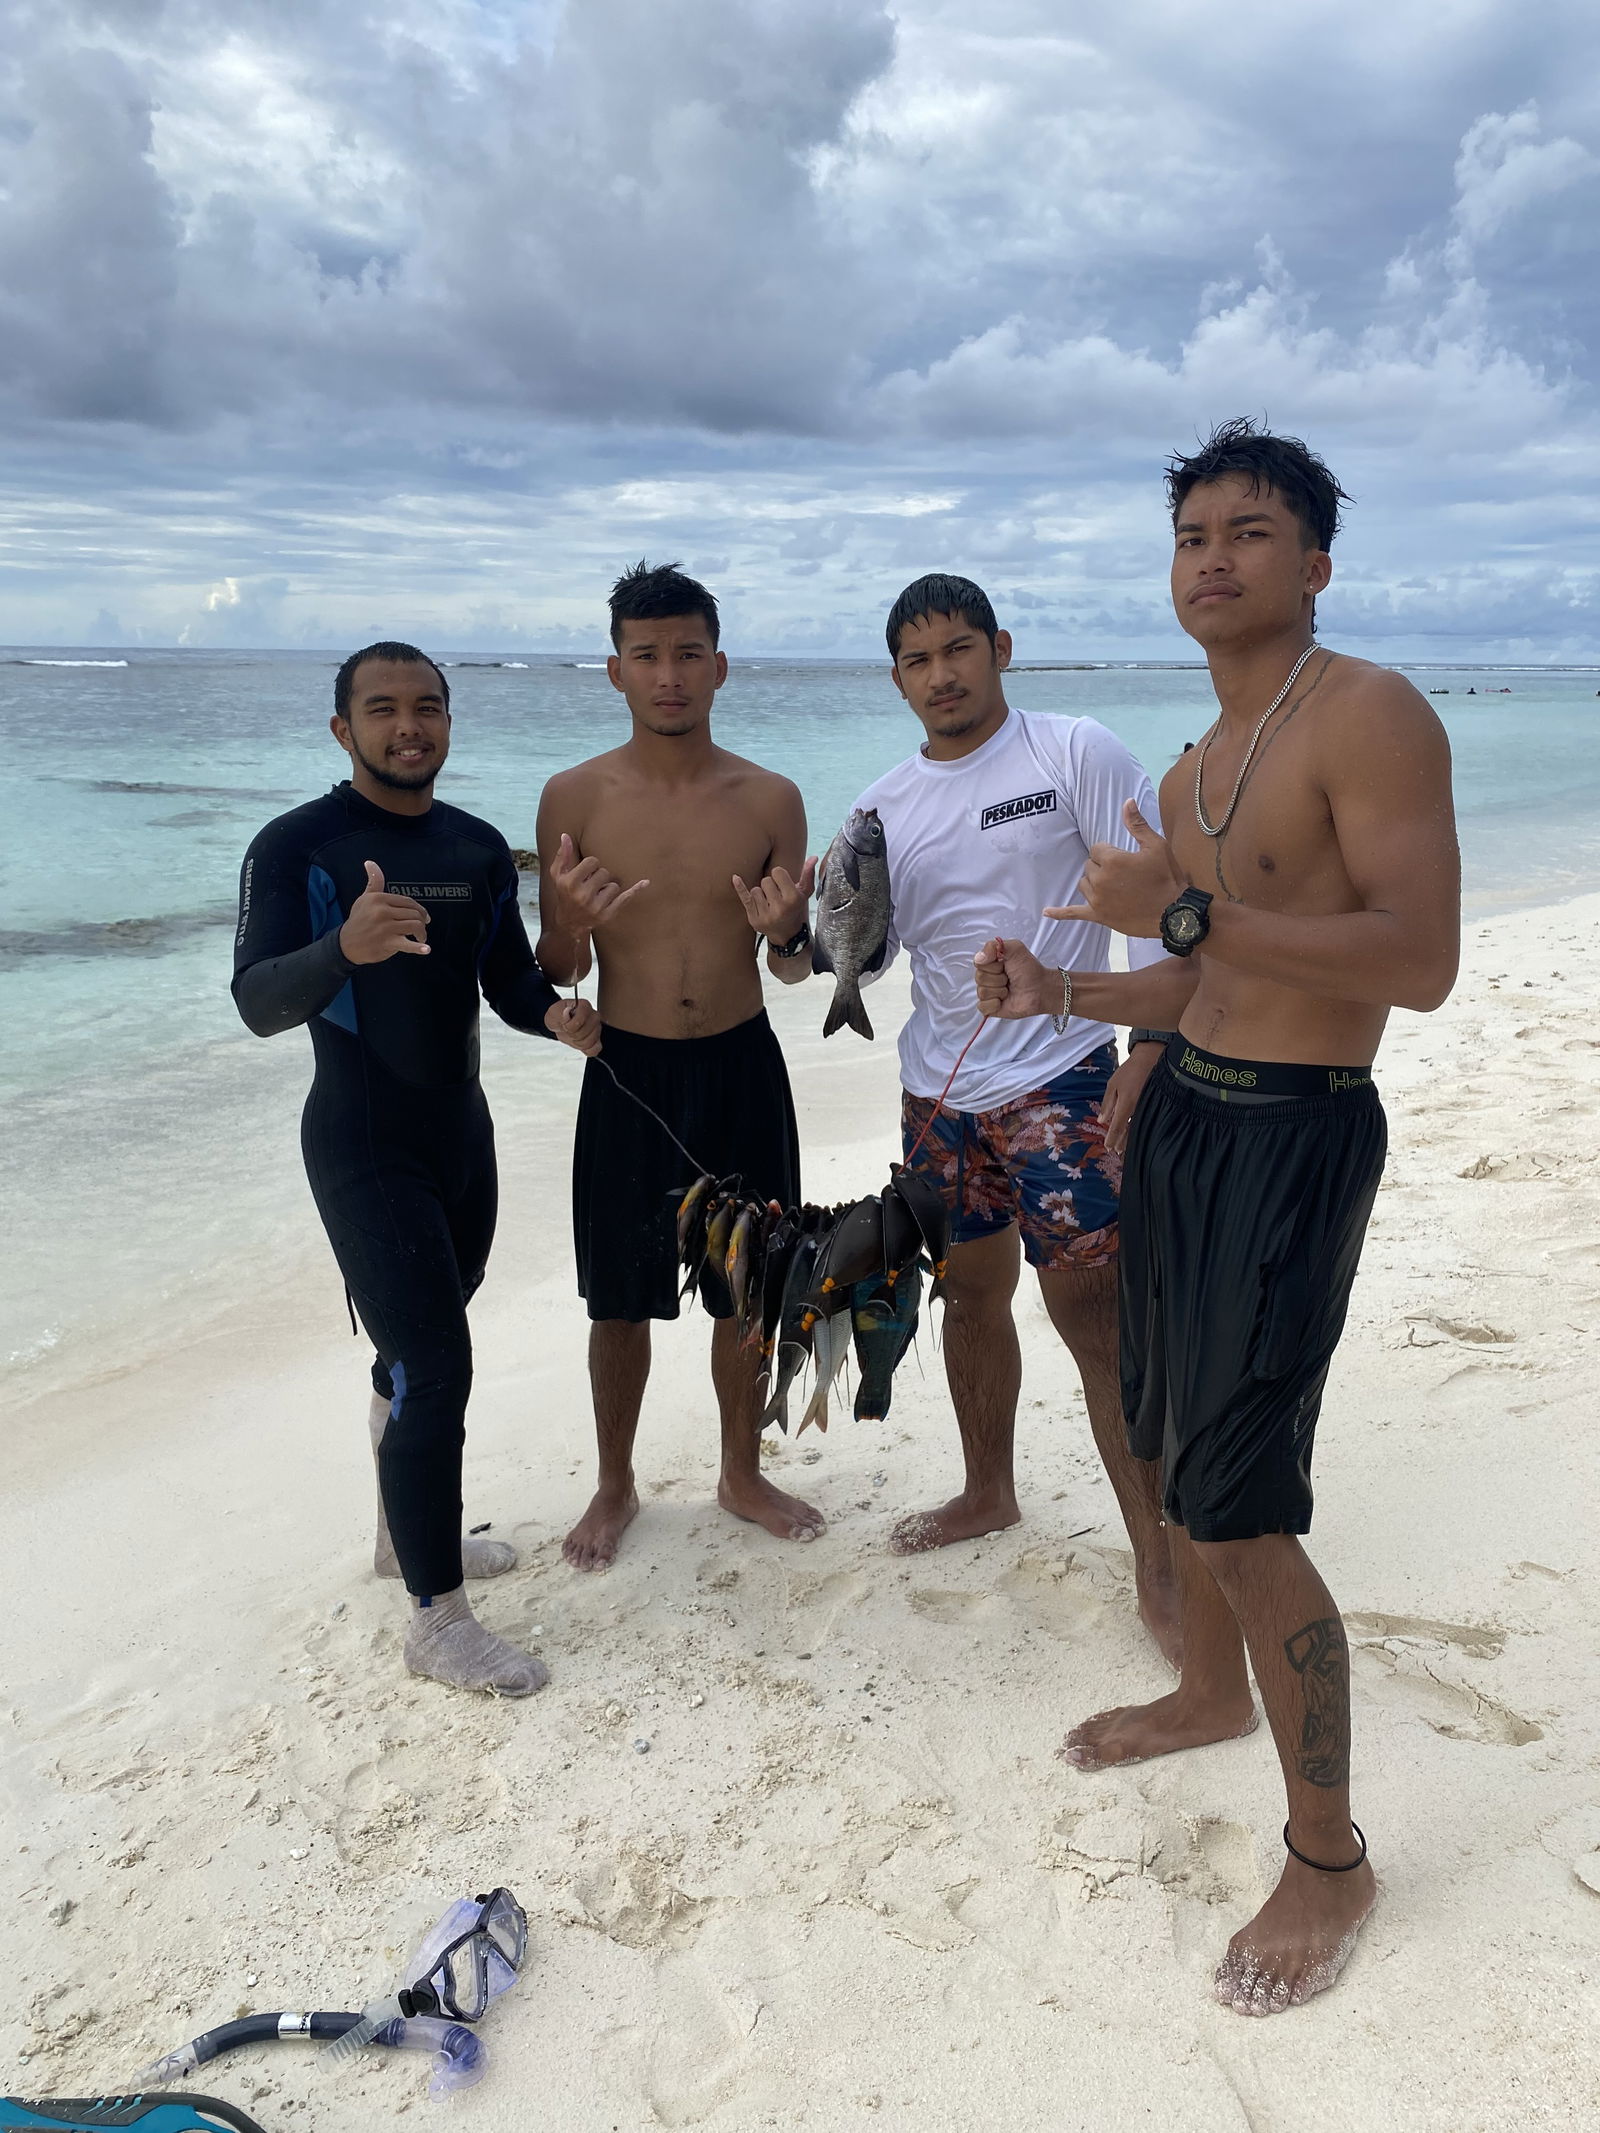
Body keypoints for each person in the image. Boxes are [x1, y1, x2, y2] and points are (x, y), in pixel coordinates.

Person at [974, 418, 1460, 2014]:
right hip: (1184, 1121)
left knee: (1243, 1505)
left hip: (1297, 1137)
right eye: (1192, 536)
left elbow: (1416, 957)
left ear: (1314, 563)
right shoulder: (1188, 773)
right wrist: (1077, 991)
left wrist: (1179, 912)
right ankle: (1205, 1688)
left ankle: (1332, 1858)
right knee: (1167, 1441)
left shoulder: (1368, 713)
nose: (1213, 559)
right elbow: (1205, 973)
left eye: (1249, 532)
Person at [232, 642, 599, 1696]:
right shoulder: (298, 845)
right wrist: (343, 946)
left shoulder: (478, 849)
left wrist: (557, 1017)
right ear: (342, 730)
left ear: (448, 722)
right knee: (433, 1367)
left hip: (462, 1138)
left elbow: (504, 984)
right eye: (383, 709)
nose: (410, 726)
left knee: (414, 1356)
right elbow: (258, 1004)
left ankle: (405, 1534)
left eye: (427, 707)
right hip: (361, 1140)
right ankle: (437, 1623)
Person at [847, 572, 1180, 1661]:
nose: (939, 676)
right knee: (967, 1298)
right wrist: (788, 939)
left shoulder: (1070, 750)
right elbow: (869, 950)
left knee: (1096, 1322)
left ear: (998, 648)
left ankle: (1159, 1564)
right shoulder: (884, 804)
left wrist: (1150, 1045)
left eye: (956, 650)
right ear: (896, 678)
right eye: (915, 660)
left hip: (1064, 1074)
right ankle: (986, 1490)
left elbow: (1155, 899)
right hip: (938, 1092)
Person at [535, 562, 822, 1570]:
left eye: (687, 655)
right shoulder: (572, 796)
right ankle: (615, 1483)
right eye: (647, 656)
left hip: (742, 1064)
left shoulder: (770, 796)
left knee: (748, 1289)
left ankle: (739, 1472)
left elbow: (793, 969)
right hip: (627, 1070)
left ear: (720, 667)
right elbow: (556, 970)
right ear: (614, 670)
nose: (669, 676)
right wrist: (567, 923)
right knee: (617, 1297)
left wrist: (791, 934)